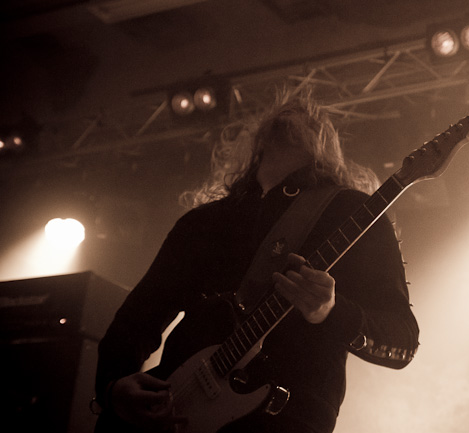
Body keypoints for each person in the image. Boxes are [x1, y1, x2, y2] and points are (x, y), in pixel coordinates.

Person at [94, 90, 420, 433]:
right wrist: (113, 387)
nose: (292, 111)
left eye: (309, 118)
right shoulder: (203, 223)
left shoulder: (352, 213)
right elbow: (135, 319)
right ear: (256, 141)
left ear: (327, 145)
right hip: (172, 415)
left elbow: (402, 340)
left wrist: (331, 312)